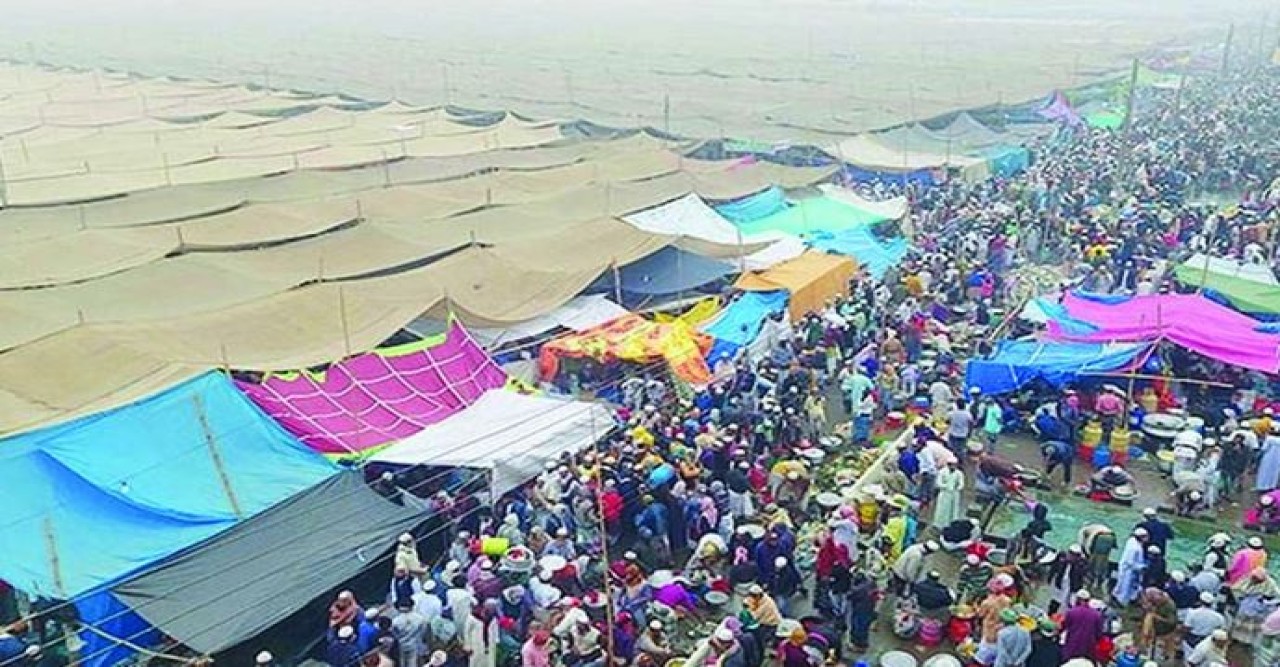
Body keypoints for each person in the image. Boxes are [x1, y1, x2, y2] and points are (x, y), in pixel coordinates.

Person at [1060, 591, 1104, 661]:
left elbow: (1062, 627)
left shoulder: (1071, 612)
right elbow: (1099, 634)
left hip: (1071, 648)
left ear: (1077, 599)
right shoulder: (1097, 615)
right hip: (1087, 651)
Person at [1112, 527, 1148, 605]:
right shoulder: (1135, 548)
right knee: (1125, 586)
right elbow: (1130, 561)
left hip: (1128, 568)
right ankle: (1120, 601)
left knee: (1121, 584)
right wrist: (1141, 567)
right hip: (1129, 570)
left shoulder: (1132, 542)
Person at [391, 600, 428, 667]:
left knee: (402, 663)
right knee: (412, 662)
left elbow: (394, 634)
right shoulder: (420, 618)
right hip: (414, 643)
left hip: (401, 644)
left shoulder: (395, 621)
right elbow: (423, 631)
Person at [933, 459, 966, 527]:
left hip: (954, 494)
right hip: (944, 493)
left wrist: (957, 488)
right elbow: (938, 483)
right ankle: (939, 525)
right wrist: (946, 486)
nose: (953, 466)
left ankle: (952, 524)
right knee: (942, 510)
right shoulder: (942, 472)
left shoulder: (959, 473)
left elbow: (961, 484)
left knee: (953, 510)